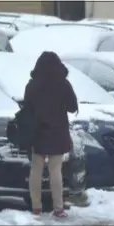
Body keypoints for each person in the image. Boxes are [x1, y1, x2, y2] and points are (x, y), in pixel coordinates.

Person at [24, 51, 78, 217]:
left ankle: (36, 207)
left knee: (36, 170)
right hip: (58, 132)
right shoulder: (63, 84)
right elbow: (72, 107)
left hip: (38, 132)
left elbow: (27, 108)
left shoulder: (32, 85)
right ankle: (58, 208)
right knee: (56, 171)